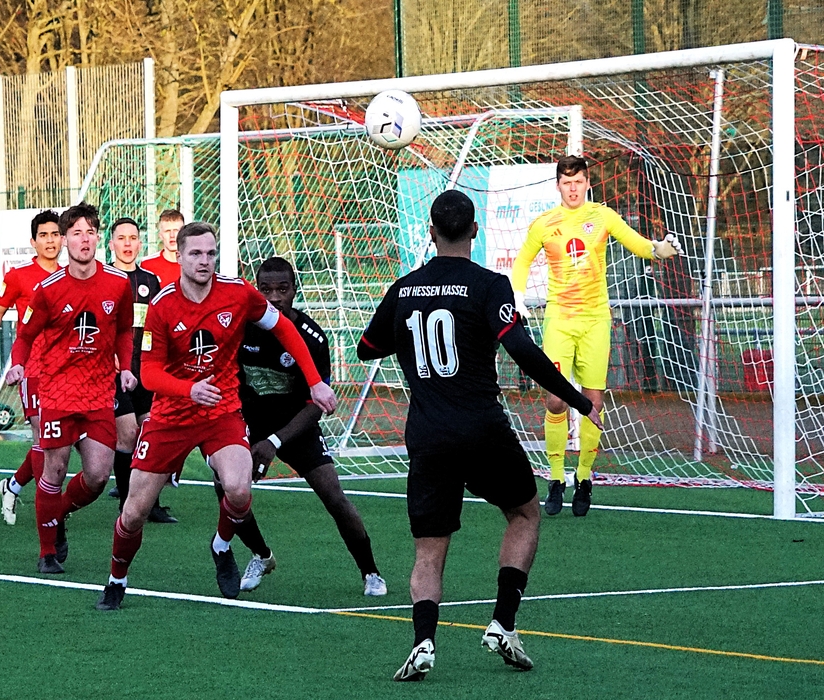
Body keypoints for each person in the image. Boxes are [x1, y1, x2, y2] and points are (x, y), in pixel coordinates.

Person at [357, 190, 602, 681]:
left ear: (431, 232)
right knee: (525, 513)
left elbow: (366, 348)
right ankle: (503, 623)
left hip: (427, 434)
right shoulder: (489, 285)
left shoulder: (403, 289)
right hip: (481, 428)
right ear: (474, 230)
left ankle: (423, 641)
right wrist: (579, 401)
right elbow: (522, 350)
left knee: (429, 549)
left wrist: (408, 340)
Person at [95, 222, 337, 610]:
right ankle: (116, 579)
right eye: (195, 253)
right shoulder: (162, 305)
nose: (204, 261)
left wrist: (315, 382)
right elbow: (149, 372)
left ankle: (222, 544)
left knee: (239, 489)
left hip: (221, 411)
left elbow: (284, 329)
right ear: (179, 255)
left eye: (210, 253)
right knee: (134, 511)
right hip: (171, 416)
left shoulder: (237, 292)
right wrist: (188, 389)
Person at [511, 155, 680, 517]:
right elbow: (522, 261)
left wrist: (660, 250)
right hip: (559, 320)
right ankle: (556, 478)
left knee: (593, 402)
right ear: (558, 185)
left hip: (596, 321)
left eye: (578, 182)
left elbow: (639, 244)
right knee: (555, 400)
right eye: (566, 183)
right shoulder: (544, 223)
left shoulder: (603, 216)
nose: (572, 189)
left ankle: (584, 477)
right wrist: (518, 297)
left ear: (588, 183)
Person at [231, 256, 386, 596]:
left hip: (296, 427)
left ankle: (371, 571)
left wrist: (274, 442)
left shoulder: (311, 337)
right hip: (250, 424)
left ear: (294, 291)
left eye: (282, 289)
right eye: (266, 289)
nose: (274, 298)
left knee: (334, 495)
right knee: (227, 489)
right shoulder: (240, 329)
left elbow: (316, 404)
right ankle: (261, 555)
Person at [5, 202, 135, 574]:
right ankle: (47, 553)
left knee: (97, 477)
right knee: (55, 470)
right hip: (57, 392)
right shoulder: (48, 289)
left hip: (99, 393)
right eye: (76, 233)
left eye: (90, 232)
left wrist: (126, 367)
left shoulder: (117, 283)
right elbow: (25, 334)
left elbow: (125, 330)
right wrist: (18, 363)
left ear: (98, 238)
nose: (84, 239)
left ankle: (57, 514)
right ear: (65, 240)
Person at [0, 210, 62, 525]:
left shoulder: (70, 276)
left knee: (58, 442)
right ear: (33, 241)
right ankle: (49, 508)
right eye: (44, 235)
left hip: (67, 373)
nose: (50, 241)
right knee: (42, 436)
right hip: (33, 369)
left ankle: (13, 486)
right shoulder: (19, 276)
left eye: (55, 234)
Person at [108, 217, 177, 523]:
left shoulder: (150, 281)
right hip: (115, 372)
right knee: (127, 435)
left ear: (139, 243)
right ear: (111, 244)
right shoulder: (105, 279)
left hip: (147, 370)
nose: (127, 244)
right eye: (121, 238)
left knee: (150, 435)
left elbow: (160, 326)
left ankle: (151, 504)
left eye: (132, 238)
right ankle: (127, 505)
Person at [139, 209, 184, 287]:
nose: (172, 235)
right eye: (167, 231)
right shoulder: (148, 264)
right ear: (160, 235)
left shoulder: (193, 263)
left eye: (176, 231)